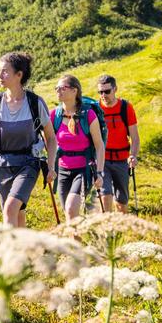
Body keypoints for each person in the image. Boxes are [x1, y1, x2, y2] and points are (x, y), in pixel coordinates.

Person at [0, 53, 57, 227]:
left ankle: (9, 253)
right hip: (2, 167)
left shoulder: (34, 102)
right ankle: (25, 253)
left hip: (28, 164)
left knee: (10, 209)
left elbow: (51, 138)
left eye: (5, 72)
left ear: (19, 75)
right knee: (18, 214)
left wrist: (51, 167)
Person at [51, 74, 105, 221]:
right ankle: (76, 243)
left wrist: (99, 172)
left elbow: (99, 146)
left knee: (71, 209)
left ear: (74, 91)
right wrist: (49, 167)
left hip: (83, 170)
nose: (58, 91)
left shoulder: (88, 115)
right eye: (57, 88)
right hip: (62, 171)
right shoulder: (54, 115)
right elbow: (48, 143)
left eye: (63, 88)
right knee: (71, 218)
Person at [96, 74, 140, 213]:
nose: (103, 95)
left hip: (122, 160)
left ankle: (121, 229)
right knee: (106, 194)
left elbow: (135, 137)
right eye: (100, 92)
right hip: (103, 160)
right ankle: (107, 230)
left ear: (115, 89)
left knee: (122, 202)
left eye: (107, 91)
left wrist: (133, 155)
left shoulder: (126, 108)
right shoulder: (95, 110)